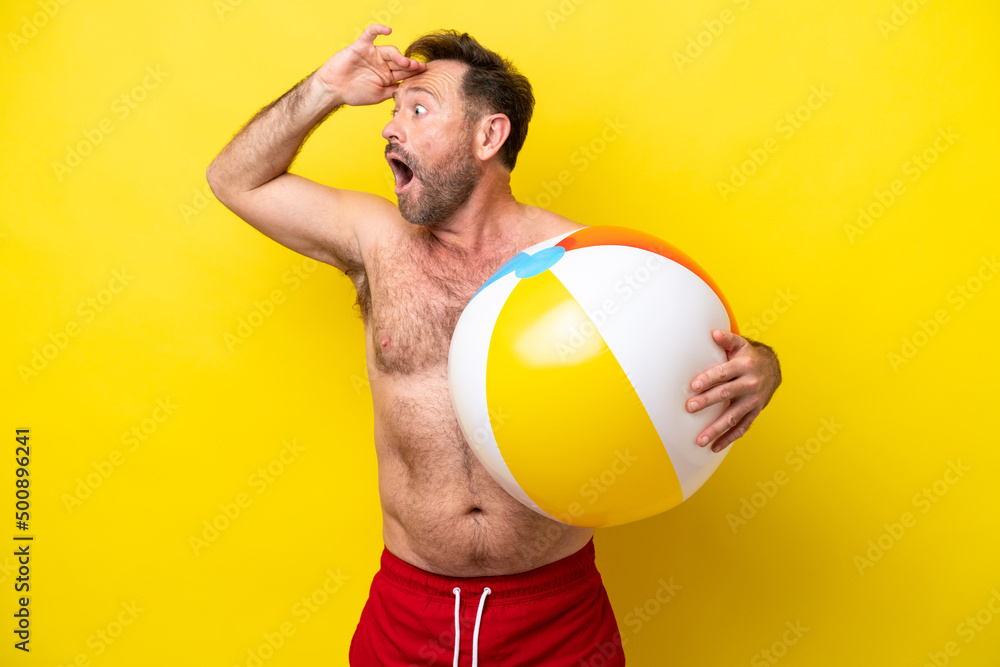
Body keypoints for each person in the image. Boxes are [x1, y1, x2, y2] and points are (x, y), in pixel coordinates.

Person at [206, 24, 782, 666]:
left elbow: (694, 345)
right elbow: (235, 179)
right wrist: (324, 90)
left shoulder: (592, 261)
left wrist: (761, 365)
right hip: (407, 612)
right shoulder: (373, 239)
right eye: (394, 113)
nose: (389, 129)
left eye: (417, 110)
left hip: (556, 617)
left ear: (489, 136)